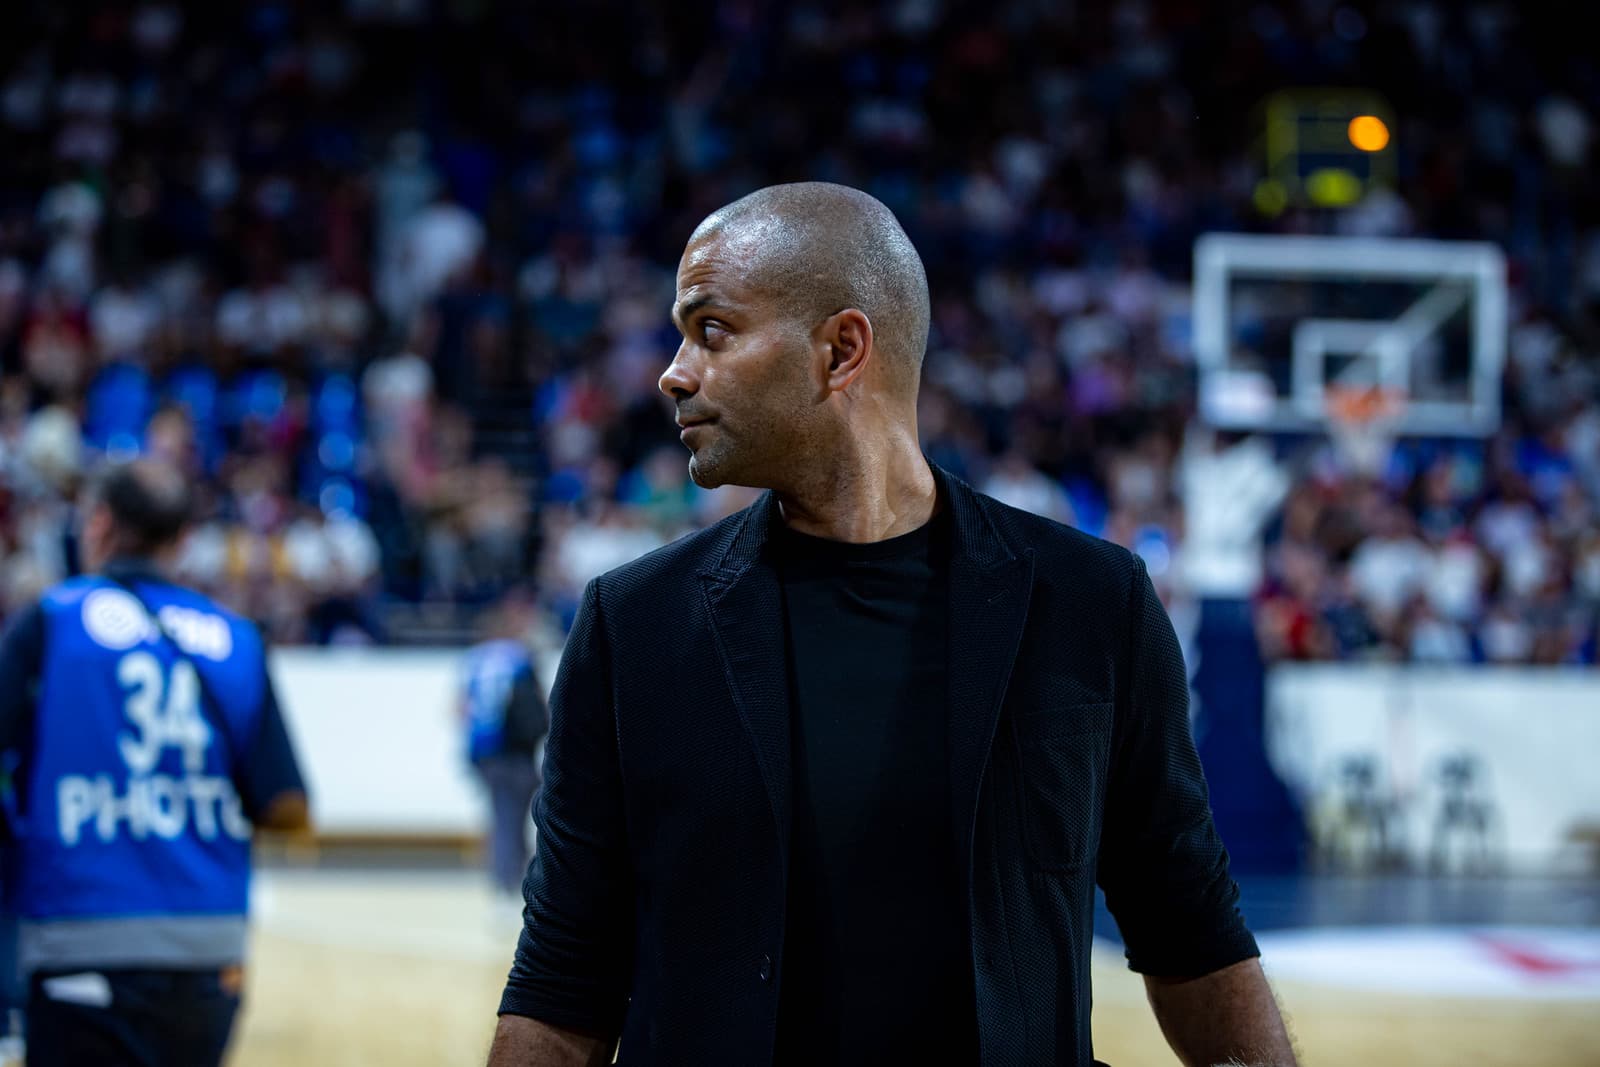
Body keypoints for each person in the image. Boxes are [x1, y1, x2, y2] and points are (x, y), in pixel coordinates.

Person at [489, 183, 1297, 1066]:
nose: (674, 371)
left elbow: (1192, 927)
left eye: (711, 330)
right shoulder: (630, 626)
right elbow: (565, 982)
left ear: (841, 350)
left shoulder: (1091, 602)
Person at [0, 458, 309, 1066]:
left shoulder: (54, 620)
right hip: (209, 952)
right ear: (184, 539)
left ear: (100, 523)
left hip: (78, 934)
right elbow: (288, 808)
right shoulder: (235, 638)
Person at [461, 592, 550, 903]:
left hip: (486, 753)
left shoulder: (475, 659)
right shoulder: (520, 658)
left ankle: (504, 882)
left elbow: (462, 708)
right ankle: (514, 883)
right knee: (518, 819)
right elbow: (539, 704)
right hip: (518, 751)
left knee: (501, 816)